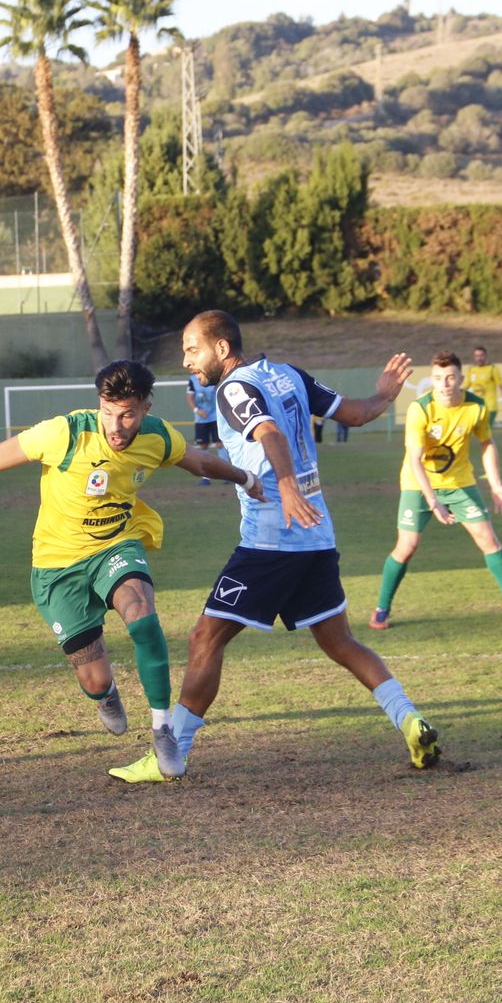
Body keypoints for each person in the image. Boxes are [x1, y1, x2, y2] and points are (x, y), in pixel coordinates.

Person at [0, 359, 263, 778]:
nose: (116, 425)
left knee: (141, 613)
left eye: (128, 413)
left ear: (146, 408)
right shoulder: (65, 433)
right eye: (108, 412)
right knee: (94, 679)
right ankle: (105, 693)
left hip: (116, 544)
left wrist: (245, 476)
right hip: (57, 566)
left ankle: (162, 729)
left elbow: (201, 463)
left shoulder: (157, 437)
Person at [109, 309, 440, 784]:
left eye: (191, 349)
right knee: (340, 641)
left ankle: (171, 755)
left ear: (221, 348)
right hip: (317, 536)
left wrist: (285, 484)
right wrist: (385, 394)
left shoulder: (233, 388)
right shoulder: (289, 375)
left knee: (206, 637)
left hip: (271, 539)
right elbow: (358, 413)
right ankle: (410, 719)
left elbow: (269, 433)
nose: (186, 361)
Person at [370, 350, 502, 631]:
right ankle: (381, 610)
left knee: (488, 539)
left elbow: (487, 443)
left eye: (450, 377)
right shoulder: (420, 409)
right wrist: (433, 502)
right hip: (418, 485)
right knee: (407, 547)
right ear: (432, 381)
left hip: (460, 483)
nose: (444, 384)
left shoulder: (476, 407)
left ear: (460, 378)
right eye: (438, 378)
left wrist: (495, 484)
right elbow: (414, 459)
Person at [464, 345, 502, 431]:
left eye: (481, 355)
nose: (479, 358)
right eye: (477, 356)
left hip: (490, 407)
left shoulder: (492, 369)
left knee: (485, 432)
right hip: (476, 407)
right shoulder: (471, 370)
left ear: (485, 356)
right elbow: (466, 387)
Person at [186, 372, 222, 484]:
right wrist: (197, 411)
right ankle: (206, 478)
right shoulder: (193, 380)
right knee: (203, 446)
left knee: (220, 444)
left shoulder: (214, 376)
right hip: (201, 419)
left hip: (216, 417)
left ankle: (225, 475)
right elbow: (190, 397)